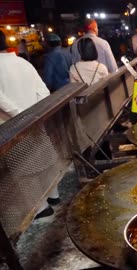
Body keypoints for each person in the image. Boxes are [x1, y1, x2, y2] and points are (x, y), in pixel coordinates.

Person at [0, 30, 59, 219]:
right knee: (43, 160)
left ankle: (41, 208)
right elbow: (43, 91)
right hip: (35, 119)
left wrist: (20, 115)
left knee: (23, 169)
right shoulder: (23, 62)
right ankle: (54, 196)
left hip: (12, 126)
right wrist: (36, 114)